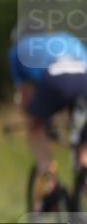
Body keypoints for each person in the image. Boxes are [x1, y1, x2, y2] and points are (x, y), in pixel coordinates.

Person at [8, 21, 87, 210]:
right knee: (83, 145)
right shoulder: (66, 38)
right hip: (84, 81)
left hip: (54, 79)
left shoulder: (17, 49)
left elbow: (24, 96)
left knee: (34, 129)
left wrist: (35, 118)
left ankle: (50, 185)